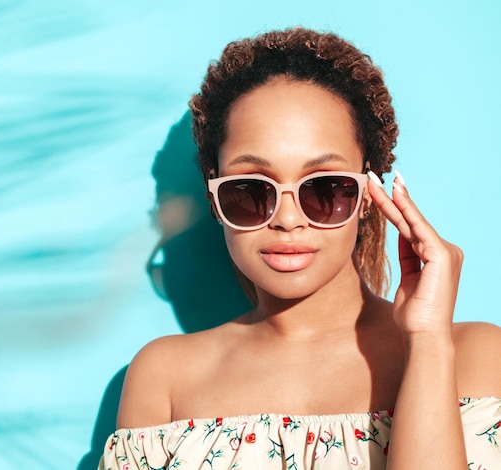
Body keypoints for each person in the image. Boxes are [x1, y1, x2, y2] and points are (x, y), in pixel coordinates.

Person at [98, 27, 501, 469]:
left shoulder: (476, 358)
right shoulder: (165, 378)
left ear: (368, 193)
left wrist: (426, 341)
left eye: (325, 187)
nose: (288, 219)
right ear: (215, 198)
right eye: (250, 190)